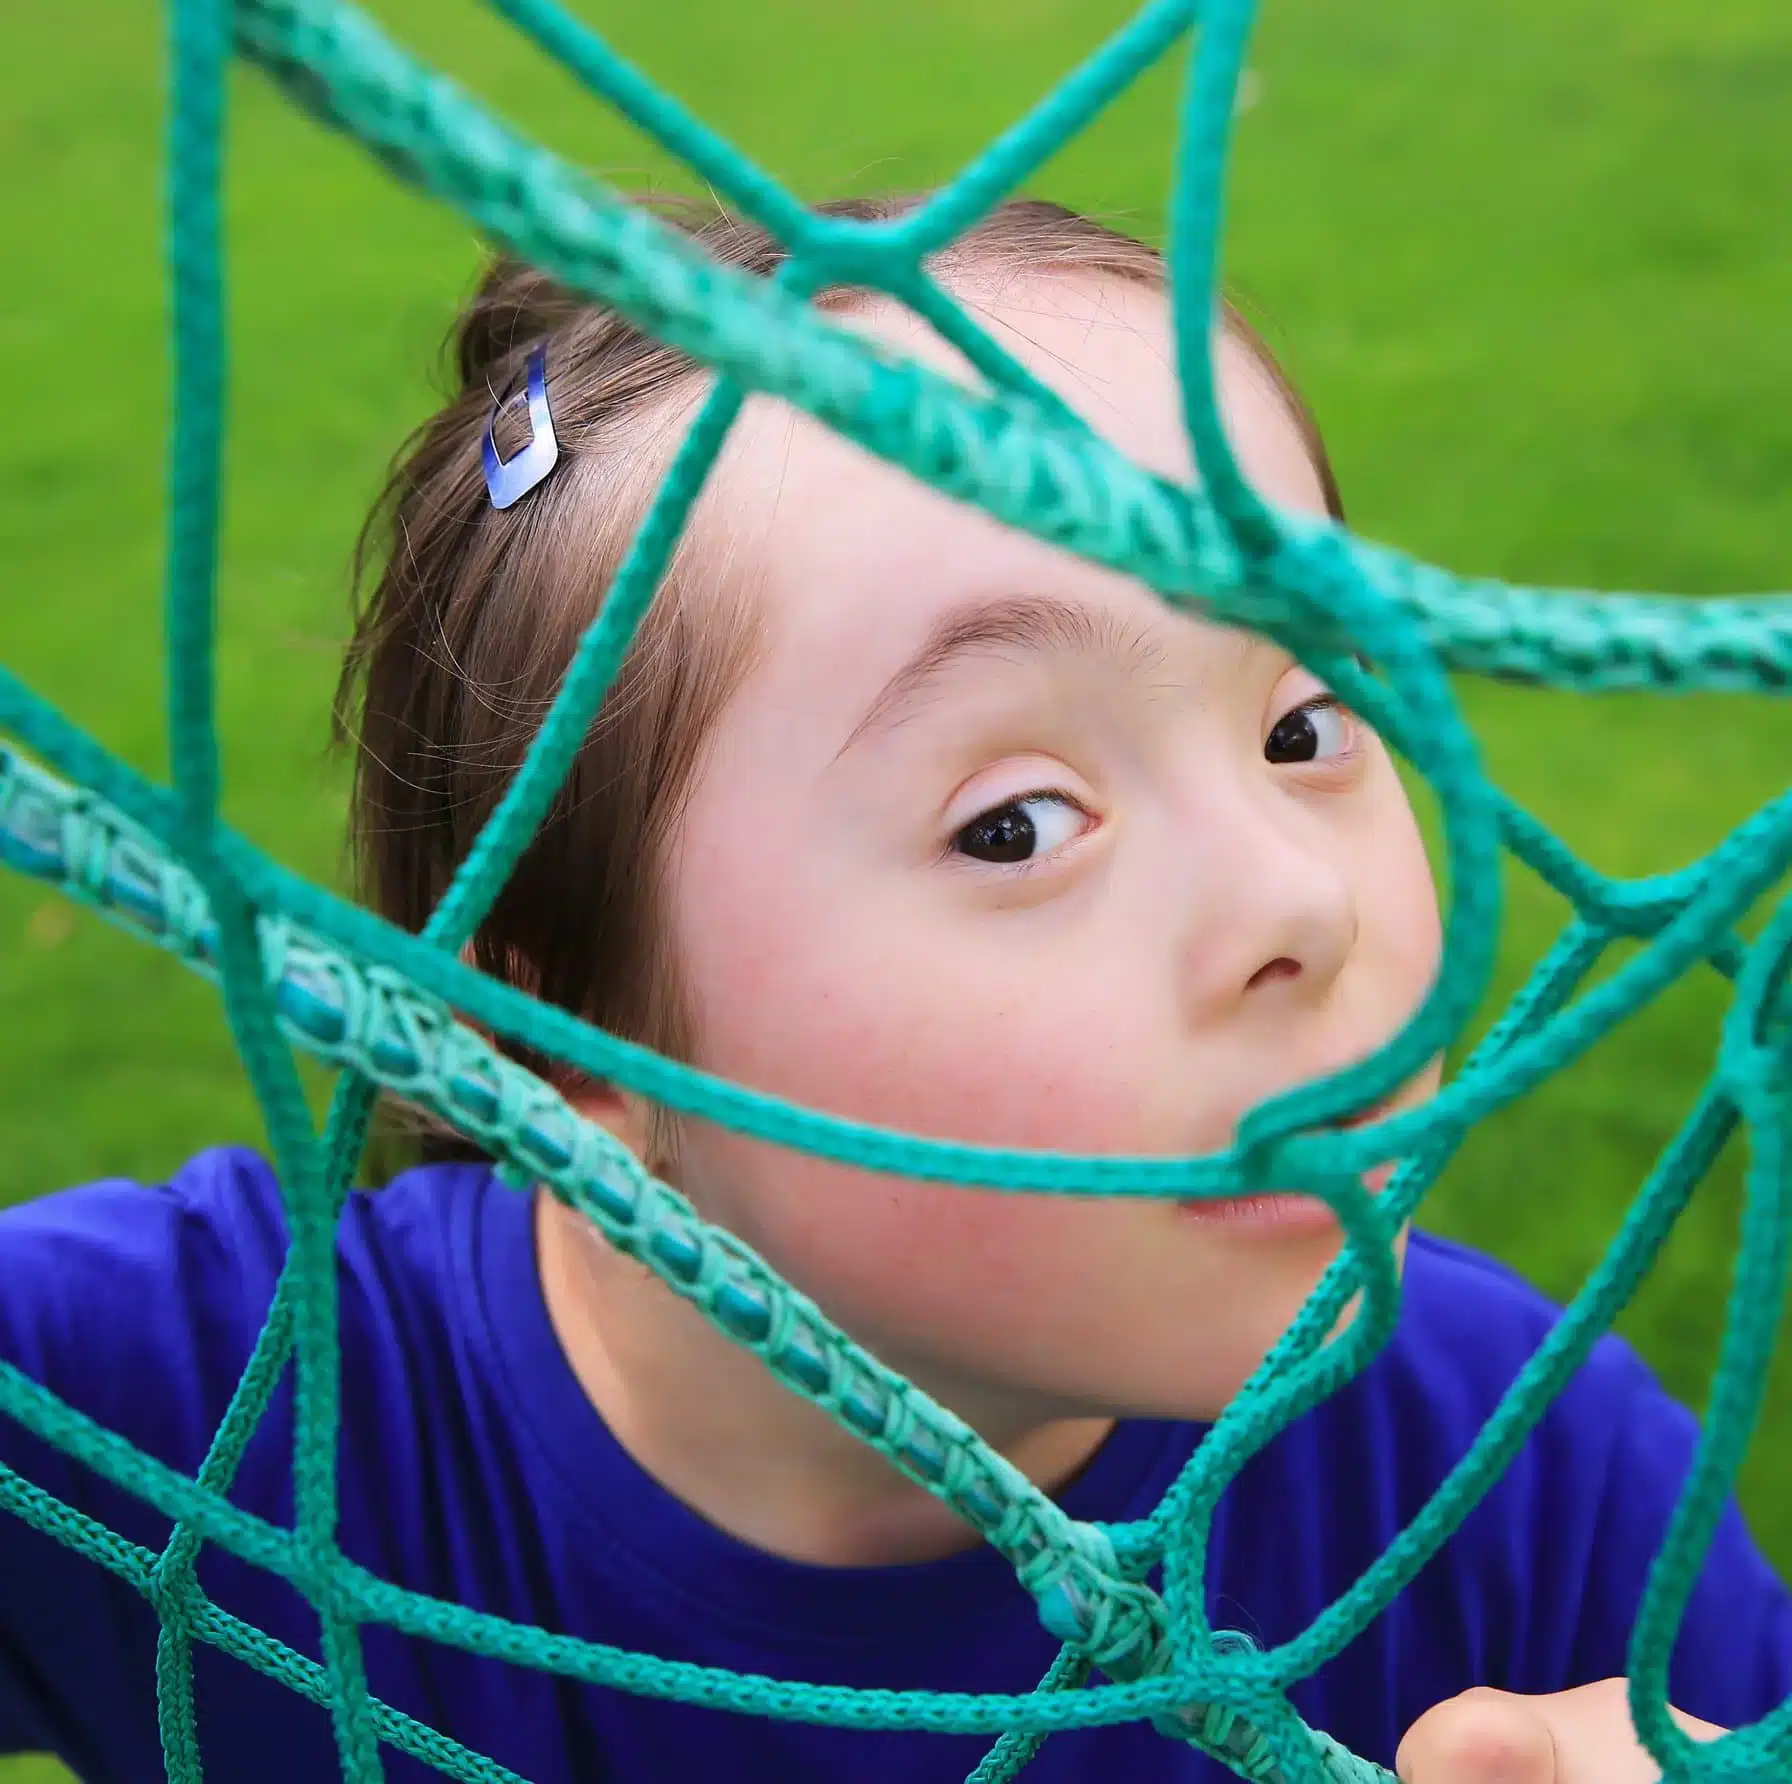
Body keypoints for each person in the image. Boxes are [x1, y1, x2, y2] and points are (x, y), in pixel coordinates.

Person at [0, 195, 1781, 1784]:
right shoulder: (177, 1405)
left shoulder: (1512, 1464)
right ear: (571, 1046)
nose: (1297, 898)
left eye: (1304, 721)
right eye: (1014, 826)